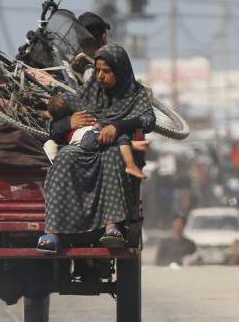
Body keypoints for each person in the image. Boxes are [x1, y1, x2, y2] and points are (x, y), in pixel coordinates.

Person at [38, 44, 155, 253]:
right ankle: (52, 233)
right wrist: (69, 122)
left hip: (113, 146)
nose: (100, 76)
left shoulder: (135, 94)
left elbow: (148, 119)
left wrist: (118, 126)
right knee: (65, 157)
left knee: (113, 156)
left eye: (107, 71)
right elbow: (54, 125)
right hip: (84, 147)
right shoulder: (90, 91)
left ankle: (112, 227)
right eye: (98, 70)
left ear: (120, 71)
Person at [47, 95, 149, 179]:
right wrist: (66, 124)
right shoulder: (76, 116)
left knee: (112, 137)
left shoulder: (84, 110)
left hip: (91, 139)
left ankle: (129, 148)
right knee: (105, 138)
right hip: (87, 139)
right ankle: (130, 146)